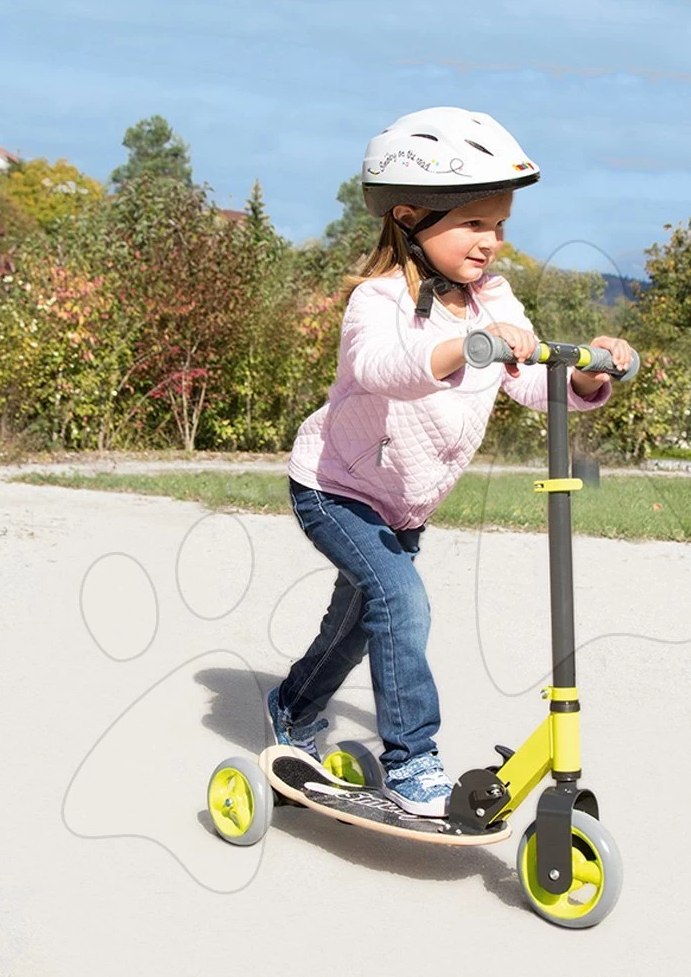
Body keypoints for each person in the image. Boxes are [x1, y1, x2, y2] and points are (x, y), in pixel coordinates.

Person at [268, 107, 634, 816]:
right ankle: (410, 763)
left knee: (357, 622)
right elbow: (377, 368)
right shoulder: (376, 300)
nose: (492, 241)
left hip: (403, 503)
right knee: (401, 602)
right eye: (474, 224)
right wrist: (461, 346)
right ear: (409, 215)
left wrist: (588, 375)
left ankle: (292, 708)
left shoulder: (491, 301)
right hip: (335, 488)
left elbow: (526, 380)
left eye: (499, 225)